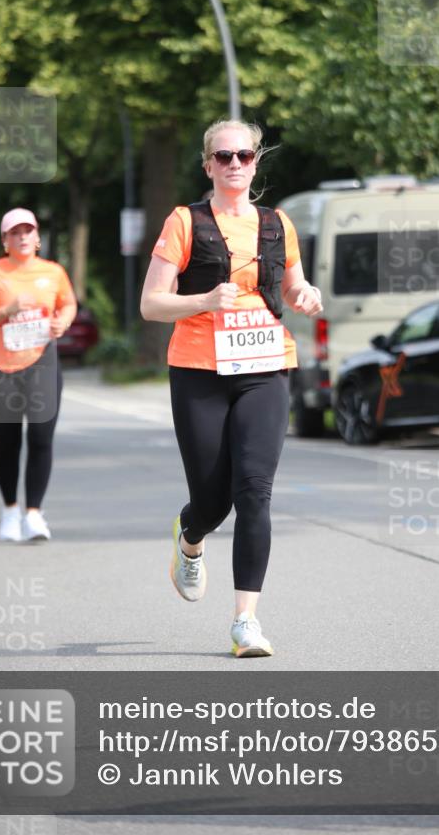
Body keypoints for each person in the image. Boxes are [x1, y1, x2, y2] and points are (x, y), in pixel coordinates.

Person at [140, 120, 322, 657]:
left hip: (266, 365)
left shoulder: (277, 223)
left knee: (254, 492)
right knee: (213, 498)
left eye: (244, 155)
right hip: (198, 369)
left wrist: (307, 294)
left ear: (256, 161)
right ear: (208, 165)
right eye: (224, 157)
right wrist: (202, 301)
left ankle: (246, 622)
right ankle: (191, 537)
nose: (235, 164)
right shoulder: (184, 222)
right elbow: (152, 304)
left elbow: (291, 284)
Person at [0, 208, 77, 543]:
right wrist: (6, 310)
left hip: (41, 363)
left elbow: (68, 304)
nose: (23, 236)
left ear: (38, 238)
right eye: (15, 232)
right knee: (7, 443)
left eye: (28, 231)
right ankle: (11, 510)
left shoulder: (53, 272)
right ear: (5, 241)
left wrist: (64, 321)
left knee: (42, 439)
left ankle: (34, 514)